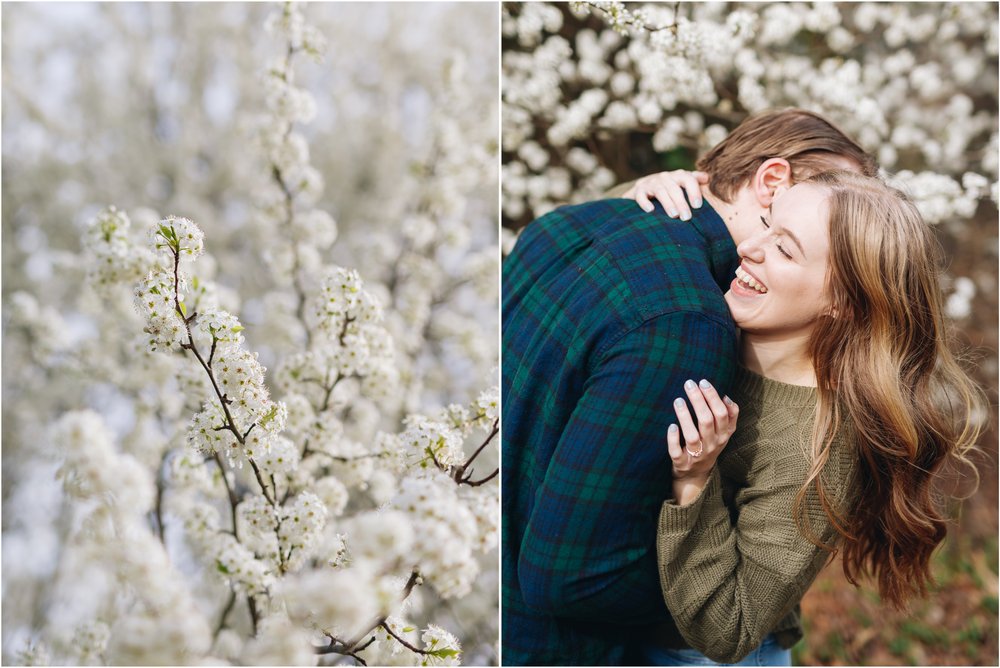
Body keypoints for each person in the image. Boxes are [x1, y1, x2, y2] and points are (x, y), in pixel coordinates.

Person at [501, 109, 878, 666]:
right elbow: (573, 571)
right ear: (772, 184)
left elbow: (737, 613)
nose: (849, 210)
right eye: (833, 191)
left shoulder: (565, 224)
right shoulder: (686, 320)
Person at [632, 170, 982, 665]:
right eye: (766, 222)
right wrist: (638, 195)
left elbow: (731, 628)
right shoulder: (728, 310)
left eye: (786, 250)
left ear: (842, 300)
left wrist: (694, 482)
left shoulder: (816, 445)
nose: (750, 246)